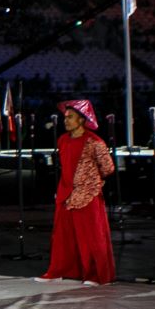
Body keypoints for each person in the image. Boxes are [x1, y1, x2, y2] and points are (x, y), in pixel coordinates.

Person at [42, 99, 116, 286]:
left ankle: (95, 274)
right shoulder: (63, 140)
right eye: (65, 117)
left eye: (71, 117)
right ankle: (59, 270)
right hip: (66, 192)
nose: (66, 121)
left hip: (88, 194)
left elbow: (108, 167)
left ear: (82, 120)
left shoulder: (94, 142)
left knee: (91, 236)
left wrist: (92, 182)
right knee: (62, 236)